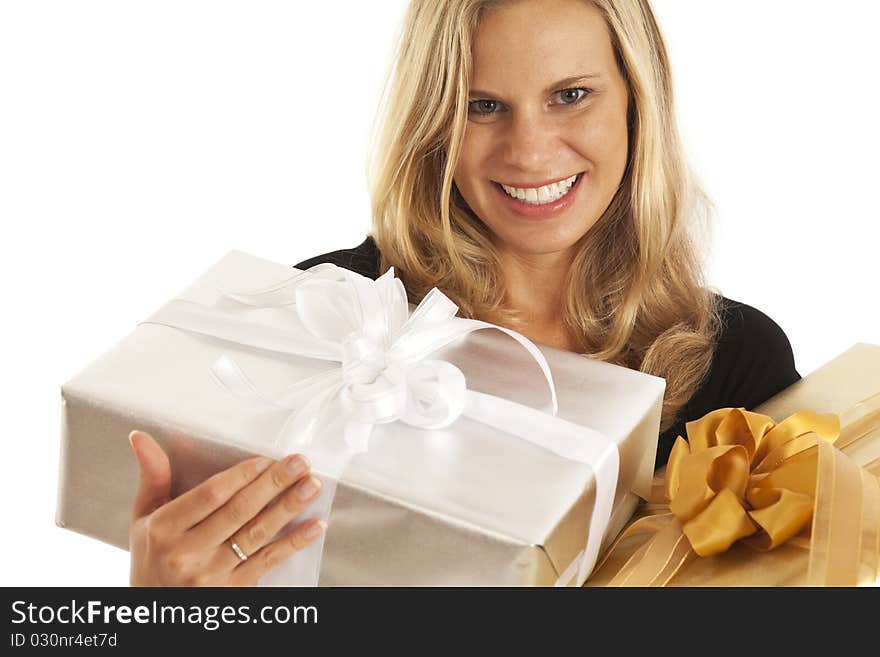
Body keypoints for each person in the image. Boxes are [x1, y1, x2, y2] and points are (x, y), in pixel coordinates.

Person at [128, 0, 800, 586]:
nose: (531, 152)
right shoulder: (324, 315)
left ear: (636, 98)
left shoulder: (737, 365)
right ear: (435, 118)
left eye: (571, 95)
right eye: (483, 106)